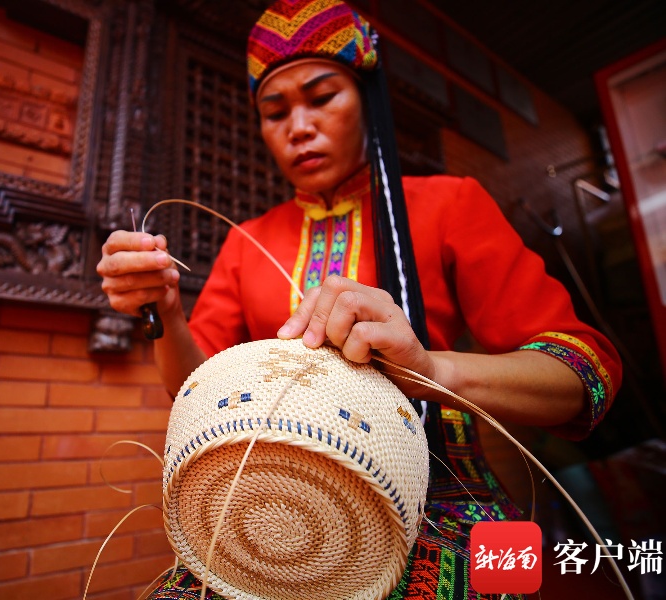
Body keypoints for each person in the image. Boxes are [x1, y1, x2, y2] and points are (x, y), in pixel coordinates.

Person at [97, 0, 622, 597]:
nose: (298, 126)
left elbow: (585, 376)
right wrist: (164, 309)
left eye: (322, 97)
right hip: (281, 500)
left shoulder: (450, 203)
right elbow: (188, 385)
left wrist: (431, 371)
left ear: (368, 101)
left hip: (442, 492)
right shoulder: (248, 241)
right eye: (275, 111)